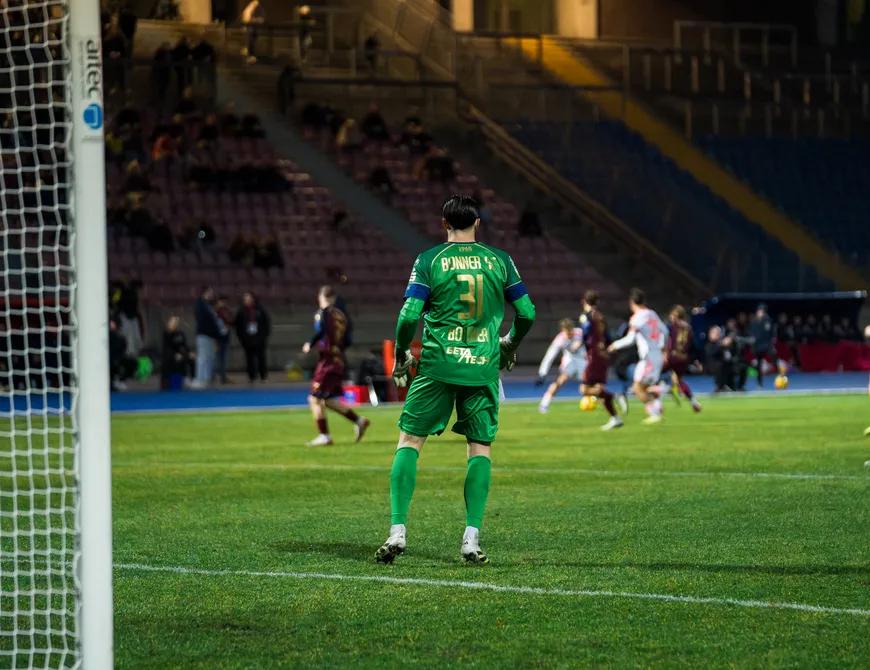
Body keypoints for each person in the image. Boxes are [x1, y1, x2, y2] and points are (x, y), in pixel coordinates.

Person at [375, 194, 536, 565]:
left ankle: (397, 531)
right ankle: (471, 539)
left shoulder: (429, 260)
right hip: (482, 366)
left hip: (437, 365)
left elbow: (407, 315)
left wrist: (402, 353)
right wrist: (509, 344)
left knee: (410, 441)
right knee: (479, 448)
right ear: (477, 223)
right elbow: (526, 312)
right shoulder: (500, 260)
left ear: (444, 223)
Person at [302, 285, 370, 446]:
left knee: (314, 398)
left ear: (321, 298)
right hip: (339, 359)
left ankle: (324, 435)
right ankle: (359, 420)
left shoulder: (323, 313)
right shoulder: (341, 316)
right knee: (327, 399)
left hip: (327, 361)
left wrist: (310, 344)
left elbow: (322, 330)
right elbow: (348, 340)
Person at [609, 288, 668, 424]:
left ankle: (655, 412)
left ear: (631, 303)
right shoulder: (652, 314)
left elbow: (630, 339)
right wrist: (663, 347)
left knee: (637, 388)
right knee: (645, 386)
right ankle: (659, 395)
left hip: (647, 358)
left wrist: (615, 345)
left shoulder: (636, 318)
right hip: (657, 355)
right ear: (644, 301)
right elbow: (664, 331)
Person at [578, 290, 625, 429]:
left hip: (594, 355)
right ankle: (615, 419)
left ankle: (616, 396)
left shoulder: (586, 316)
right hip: (603, 355)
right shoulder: (600, 316)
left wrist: (581, 346)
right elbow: (608, 337)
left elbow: (585, 334)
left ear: (584, 302)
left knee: (584, 389)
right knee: (599, 388)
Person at [535, 318, 585, 414]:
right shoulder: (559, 340)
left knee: (588, 385)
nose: (570, 333)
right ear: (563, 330)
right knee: (560, 381)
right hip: (570, 360)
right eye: (567, 331)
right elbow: (549, 356)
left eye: (571, 330)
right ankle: (544, 405)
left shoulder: (579, 332)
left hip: (583, 360)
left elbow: (579, 344)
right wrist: (542, 374)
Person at [658, 305, 701, 412]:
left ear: (675, 315)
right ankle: (694, 402)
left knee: (653, 377)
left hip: (672, 355)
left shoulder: (672, 325)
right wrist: (696, 360)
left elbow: (664, 337)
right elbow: (694, 346)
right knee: (678, 381)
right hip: (683, 358)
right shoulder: (689, 328)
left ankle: (659, 400)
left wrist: (664, 352)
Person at [193, 286, 226, 388]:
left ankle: (207, 379)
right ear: (205, 293)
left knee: (210, 358)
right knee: (202, 358)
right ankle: (200, 379)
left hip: (211, 336)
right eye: (210, 292)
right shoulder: (200, 304)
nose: (211, 294)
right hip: (203, 334)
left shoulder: (209, 305)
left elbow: (214, 320)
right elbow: (202, 319)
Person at [234, 292, 271, 383]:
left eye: (249, 298)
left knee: (261, 358)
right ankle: (251, 377)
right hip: (247, 339)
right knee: (249, 358)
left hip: (259, 338)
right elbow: (238, 325)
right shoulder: (241, 311)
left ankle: (263, 376)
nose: (247, 301)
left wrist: (263, 336)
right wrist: (242, 337)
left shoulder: (260, 310)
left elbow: (266, 324)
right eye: (246, 299)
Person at [161, 315, 195, 388]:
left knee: (191, 358)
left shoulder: (180, 334)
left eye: (176, 323)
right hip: (170, 355)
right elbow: (167, 348)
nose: (175, 325)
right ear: (169, 323)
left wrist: (190, 352)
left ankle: (192, 379)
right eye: (173, 323)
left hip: (181, 353)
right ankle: (184, 377)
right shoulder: (166, 334)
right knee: (180, 358)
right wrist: (175, 354)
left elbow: (185, 345)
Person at [749, 303, 774, 387]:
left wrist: (769, 344)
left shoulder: (767, 321)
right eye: (759, 310)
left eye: (762, 311)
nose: (760, 312)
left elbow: (768, 334)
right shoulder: (754, 322)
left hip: (765, 344)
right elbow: (752, 333)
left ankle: (779, 377)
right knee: (758, 364)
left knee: (773, 359)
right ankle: (759, 382)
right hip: (757, 345)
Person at [215, 296, 232, 384]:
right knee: (217, 358)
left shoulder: (227, 312)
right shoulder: (214, 313)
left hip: (225, 338)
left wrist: (228, 326)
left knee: (223, 359)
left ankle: (223, 376)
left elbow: (230, 322)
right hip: (217, 339)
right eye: (221, 302)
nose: (223, 303)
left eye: (224, 302)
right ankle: (216, 377)